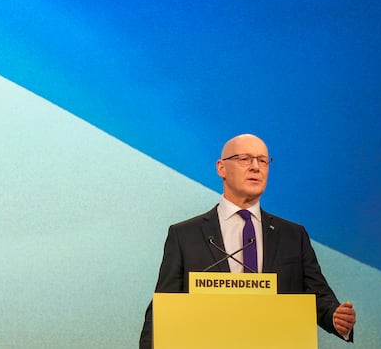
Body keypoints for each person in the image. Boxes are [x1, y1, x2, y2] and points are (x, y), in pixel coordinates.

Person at [138, 133, 356, 348]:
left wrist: (336, 318)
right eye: (244, 159)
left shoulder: (293, 236)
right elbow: (163, 307)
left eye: (263, 160)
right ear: (221, 168)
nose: (255, 167)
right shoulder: (185, 235)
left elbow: (318, 296)